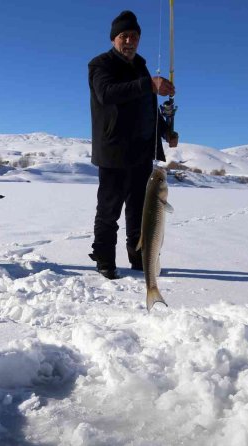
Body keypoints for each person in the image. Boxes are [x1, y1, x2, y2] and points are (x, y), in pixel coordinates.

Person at [88, 10, 178, 279]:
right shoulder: (100, 65)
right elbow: (107, 94)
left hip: (141, 152)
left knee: (139, 212)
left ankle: (137, 257)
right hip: (113, 153)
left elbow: (146, 108)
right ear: (114, 38)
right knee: (109, 210)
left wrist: (165, 131)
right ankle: (104, 258)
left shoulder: (141, 66)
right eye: (124, 36)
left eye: (134, 37)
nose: (129, 41)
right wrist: (148, 84)